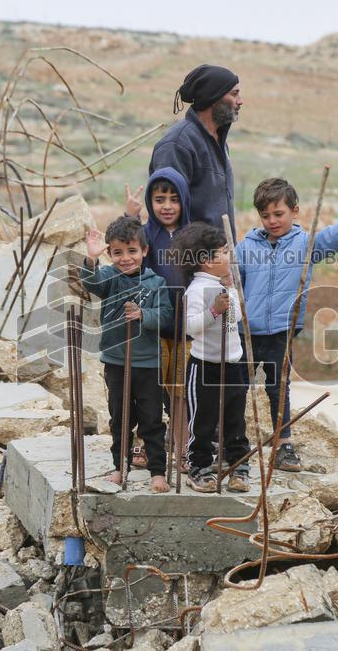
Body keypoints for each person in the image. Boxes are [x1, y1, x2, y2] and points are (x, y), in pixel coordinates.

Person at [236, 178, 338, 471]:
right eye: (265, 215)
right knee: (236, 387)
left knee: (278, 389)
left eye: (279, 214)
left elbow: (337, 235)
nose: (272, 221)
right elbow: (231, 279)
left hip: (281, 332)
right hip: (246, 332)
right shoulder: (246, 246)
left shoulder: (305, 244)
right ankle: (231, 442)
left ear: (295, 211)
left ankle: (283, 445)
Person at [80, 216, 174, 493]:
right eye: (118, 252)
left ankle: (157, 471)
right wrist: (91, 259)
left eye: (132, 251)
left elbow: (166, 315)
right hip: (116, 362)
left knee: (151, 418)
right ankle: (120, 467)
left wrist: (143, 314)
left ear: (144, 250)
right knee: (120, 418)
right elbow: (90, 283)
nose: (125, 258)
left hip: (148, 363)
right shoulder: (109, 278)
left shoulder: (156, 283)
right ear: (110, 253)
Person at [172, 222, 251, 493]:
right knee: (203, 420)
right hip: (205, 366)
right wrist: (214, 311)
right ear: (206, 261)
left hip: (233, 364)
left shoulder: (222, 285)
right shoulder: (196, 290)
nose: (229, 256)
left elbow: (237, 317)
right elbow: (190, 327)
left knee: (235, 418)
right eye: (224, 252)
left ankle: (238, 465)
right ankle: (199, 467)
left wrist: (231, 291)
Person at [122, 168, 192, 468]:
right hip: (152, 328)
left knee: (180, 393)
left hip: (187, 330)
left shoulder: (193, 235)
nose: (167, 206)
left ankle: (183, 448)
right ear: (150, 202)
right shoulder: (146, 234)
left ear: (184, 200)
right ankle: (145, 445)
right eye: (160, 199)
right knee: (148, 390)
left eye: (174, 199)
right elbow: (126, 249)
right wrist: (130, 216)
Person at [150, 64, 242, 240]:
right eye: (234, 94)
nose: (240, 101)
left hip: (219, 254)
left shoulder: (220, 142)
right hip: (190, 254)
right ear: (213, 97)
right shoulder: (177, 145)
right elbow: (167, 217)